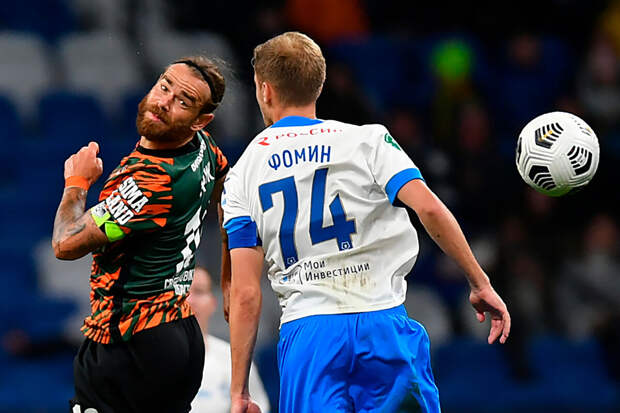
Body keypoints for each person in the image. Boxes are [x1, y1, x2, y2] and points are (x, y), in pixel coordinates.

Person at [222, 32, 511, 413]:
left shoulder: (242, 173)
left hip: (309, 336)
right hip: (381, 322)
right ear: (319, 83)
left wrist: (239, 391)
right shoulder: (368, 140)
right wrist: (479, 281)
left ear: (265, 89)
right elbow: (429, 209)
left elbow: (245, 292)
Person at [52, 55, 229, 413]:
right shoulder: (204, 147)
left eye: (183, 102)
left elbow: (65, 244)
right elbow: (228, 193)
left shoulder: (149, 182)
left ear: (200, 120)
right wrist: (229, 273)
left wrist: (77, 182)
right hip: (181, 334)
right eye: (164, 87)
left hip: (132, 340)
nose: (164, 102)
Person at [188, 266, 271, 412]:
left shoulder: (234, 361)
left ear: (213, 303)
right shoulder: (156, 358)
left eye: (199, 291)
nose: (190, 300)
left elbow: (259, 407)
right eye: (183, 293)